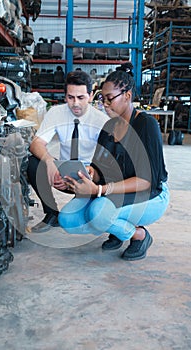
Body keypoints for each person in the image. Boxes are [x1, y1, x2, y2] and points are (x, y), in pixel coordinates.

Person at [58, 63, 170, 261]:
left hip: (149, 194)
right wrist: (87, 175)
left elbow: (146, 181)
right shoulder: (109, 126)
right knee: (68, 219)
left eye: (110, 98)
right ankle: (118, 229)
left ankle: (139, 235)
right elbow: (99, 168)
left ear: (127, 95)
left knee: (98, 213)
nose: (105, 104)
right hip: (116, 191)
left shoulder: (146, 125)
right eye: (102, 99)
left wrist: (99, 191)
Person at [27, 70, 109, 233]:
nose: (75, 103)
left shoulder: (102, 121)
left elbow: (108, 161)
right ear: (65, 96)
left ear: (91, 95)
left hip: (91, 177)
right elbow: (36, 143)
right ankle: (51, 213)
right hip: (62, 173)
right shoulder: (56, 113)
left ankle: (103, 216)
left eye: (81, 98)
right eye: (70, 97)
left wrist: (89, 177)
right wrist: (50, 163)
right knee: (33, 162)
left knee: (91, 216)